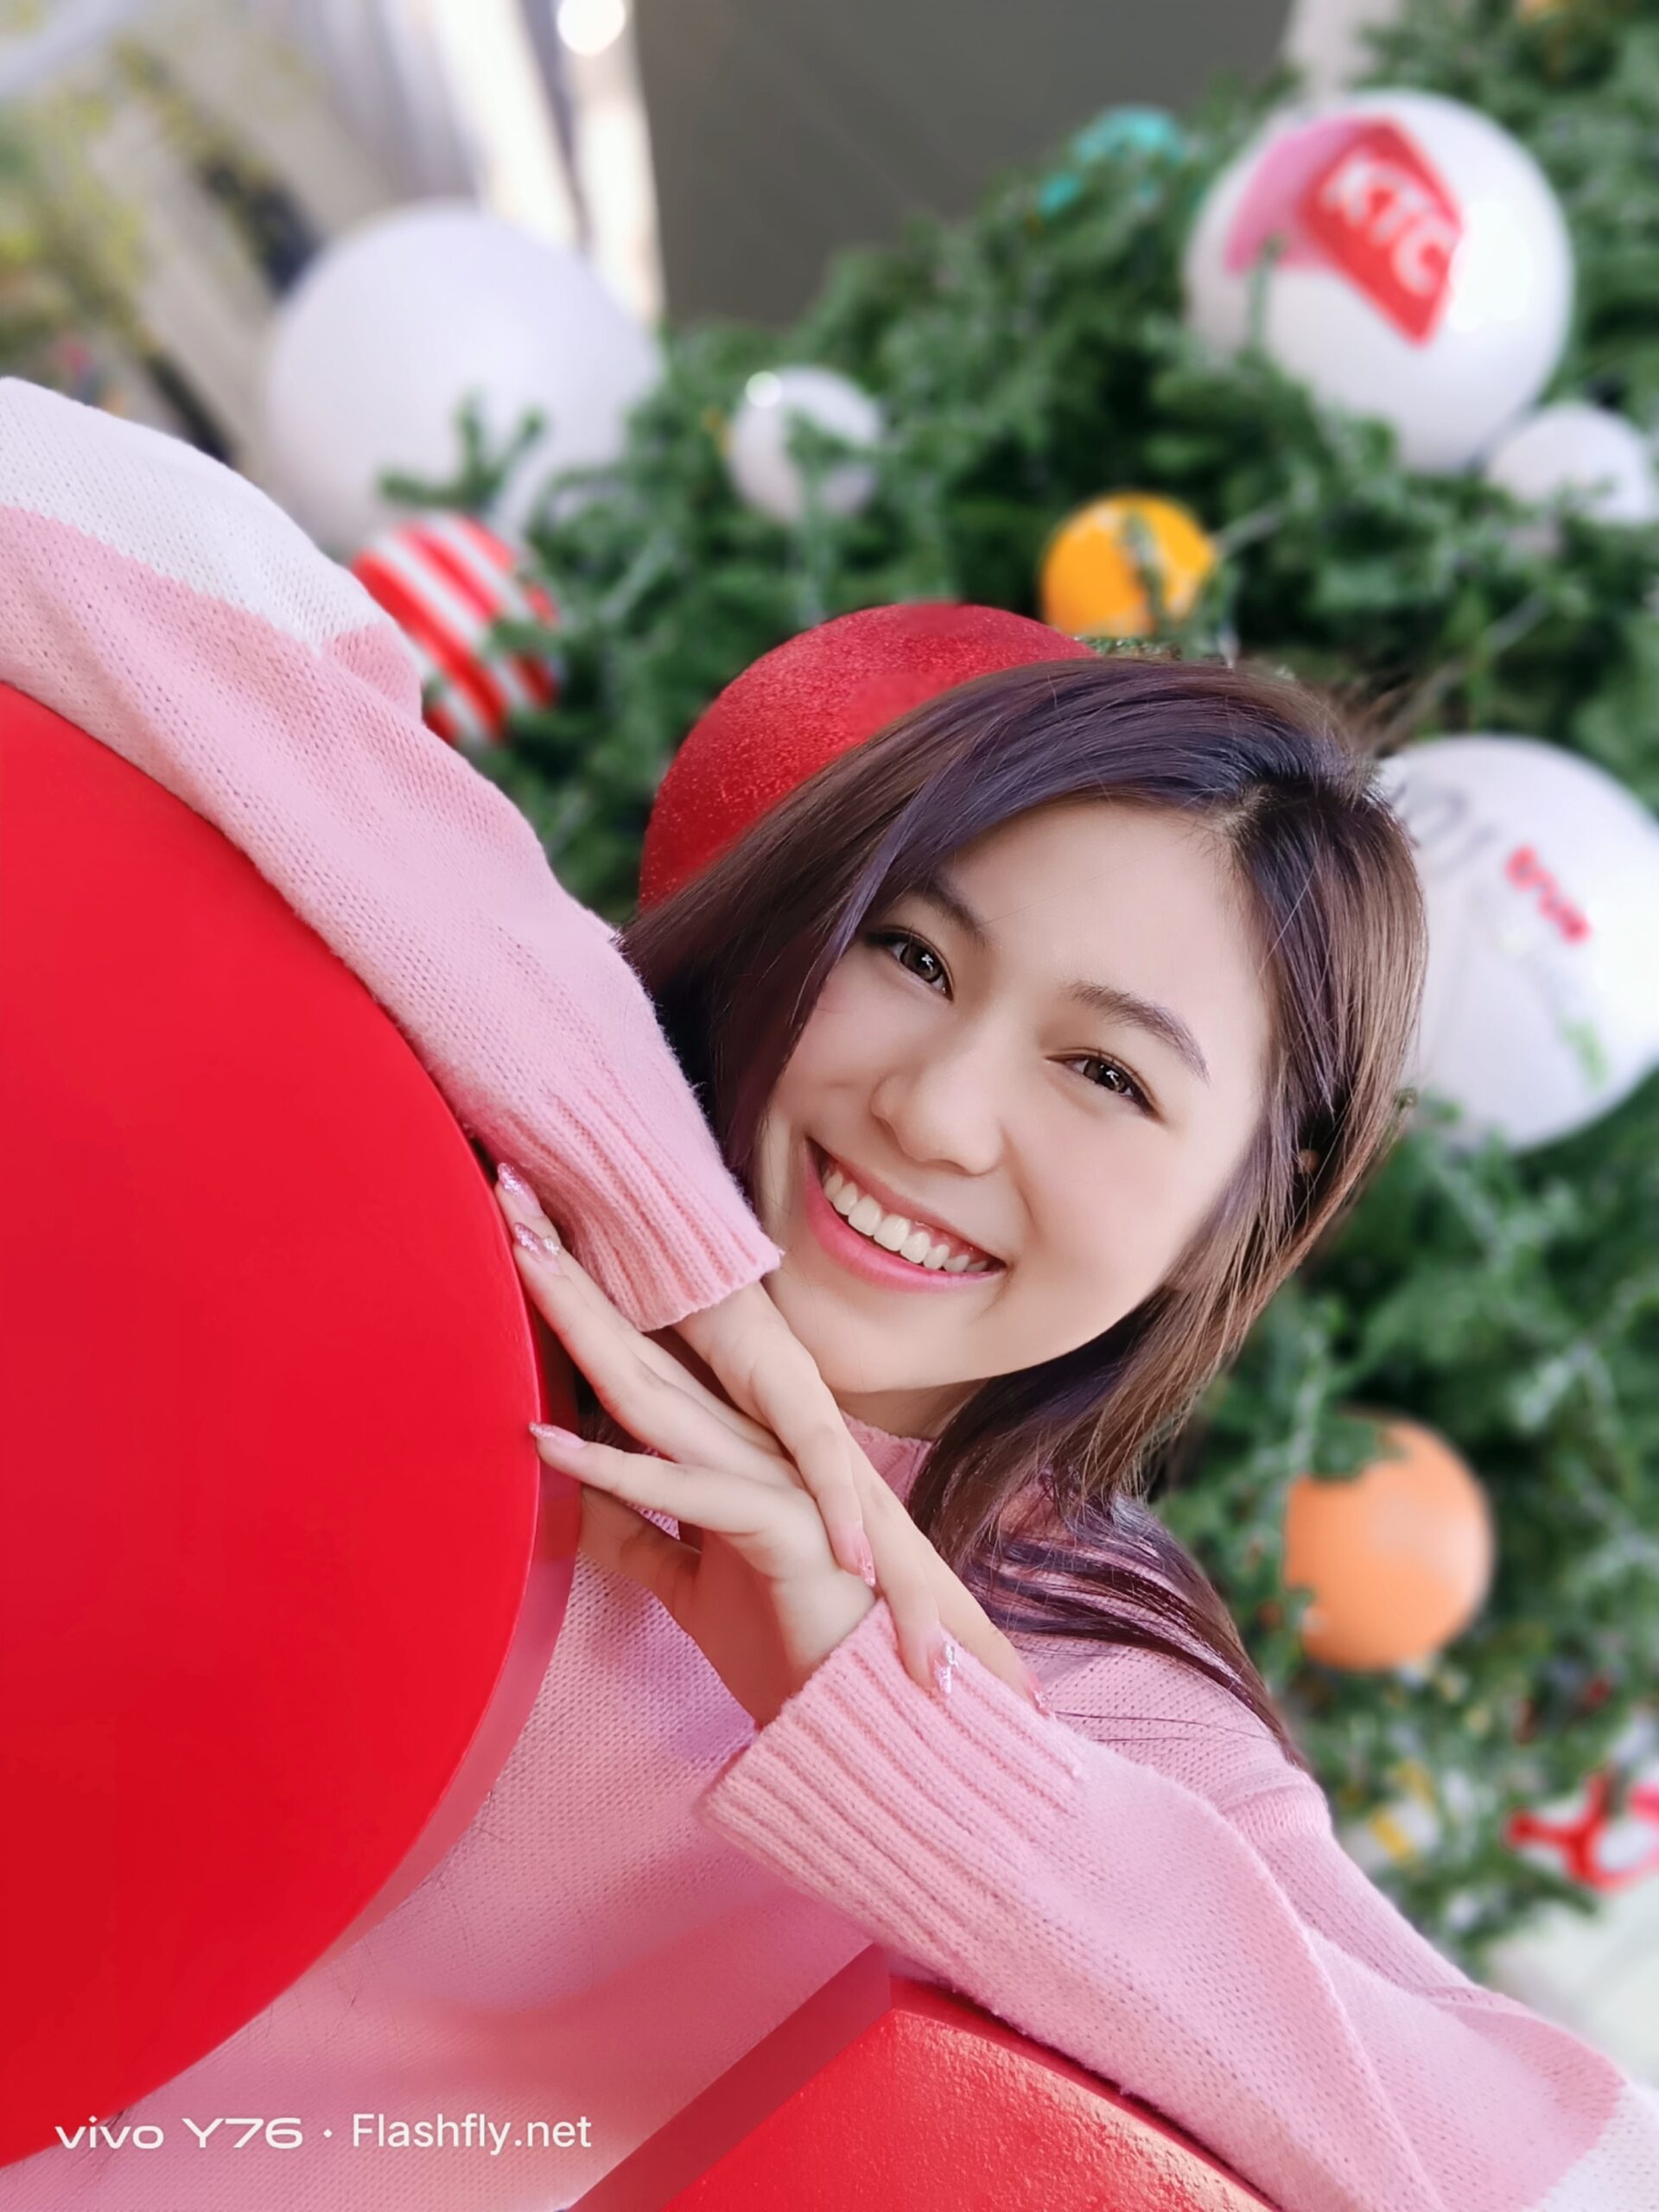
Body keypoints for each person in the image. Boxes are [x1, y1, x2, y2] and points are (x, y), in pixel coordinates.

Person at [1, 375, 1654, 2212]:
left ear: (1232, 1224)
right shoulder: (461, 1138)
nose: (934, 1112)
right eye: (914, 952)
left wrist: (879, 1721)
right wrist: (634, 1169)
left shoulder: (1077, 1671)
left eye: (1107, 1075)